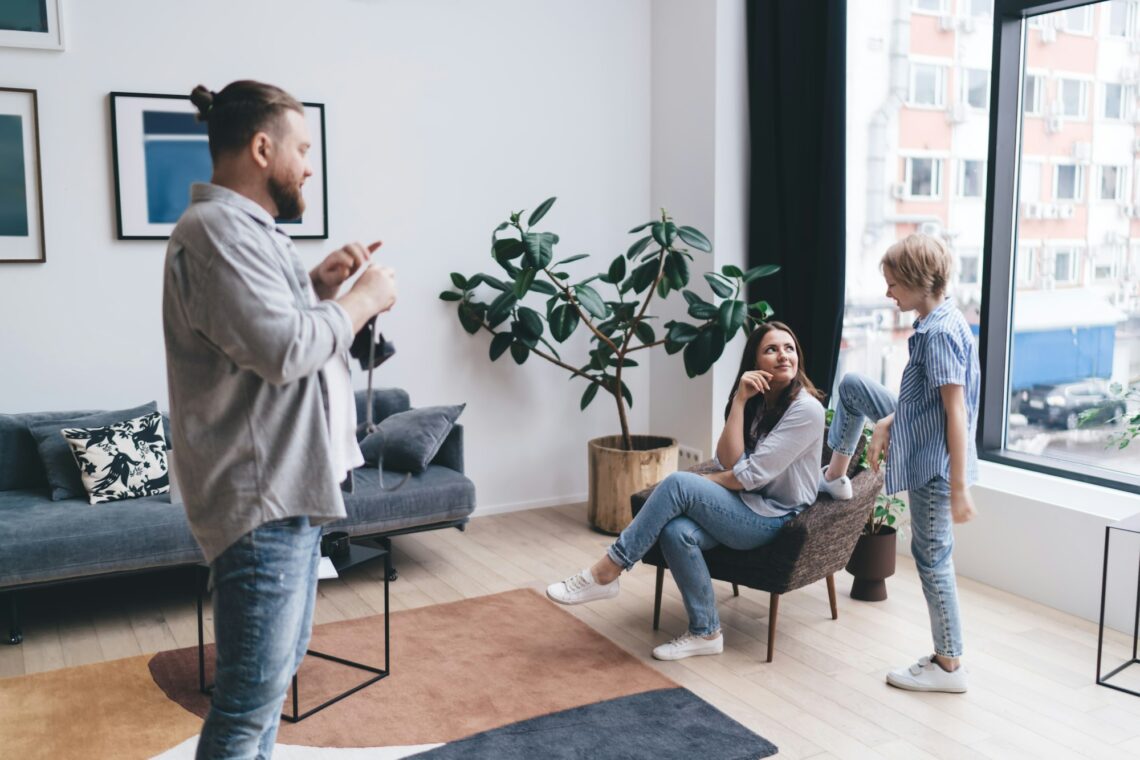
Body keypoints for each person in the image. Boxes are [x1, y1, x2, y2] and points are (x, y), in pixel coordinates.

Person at [162, 80, 397, 758]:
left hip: (286, 494)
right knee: (244, 706)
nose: (309, 165)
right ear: (262, 148)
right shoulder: (215, 233)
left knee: (267, 690)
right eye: (302, 148)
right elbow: (286, 349)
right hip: (261, 502)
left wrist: (319, 289)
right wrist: (362, 301)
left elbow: (275, 331)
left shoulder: (246, 233)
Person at [547, 322, 825, 661]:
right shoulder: (761, 402)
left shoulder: (806, 409)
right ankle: (706, 631)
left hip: (775, 519)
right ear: (754, 361)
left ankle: (608, 570)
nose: (783, 355)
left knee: (678, 483)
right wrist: (739, 401)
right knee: (677, 532)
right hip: (748, 504)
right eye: (771, 349)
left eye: (789, 348)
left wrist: (704, 484)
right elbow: (728, 459)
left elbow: (747, 476)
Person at [820, 232, 979, 694]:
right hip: (918, 433)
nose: (888, 293)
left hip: (933, 462)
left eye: (892, 284)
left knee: (932, 560)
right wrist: (890, 420)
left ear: (915, 281)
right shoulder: (940, 321)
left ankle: (948, 665)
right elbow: (928, 400)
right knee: (851, 386)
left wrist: (960, 486)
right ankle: (835, 477)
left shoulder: (940, 336)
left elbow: (956, 411)